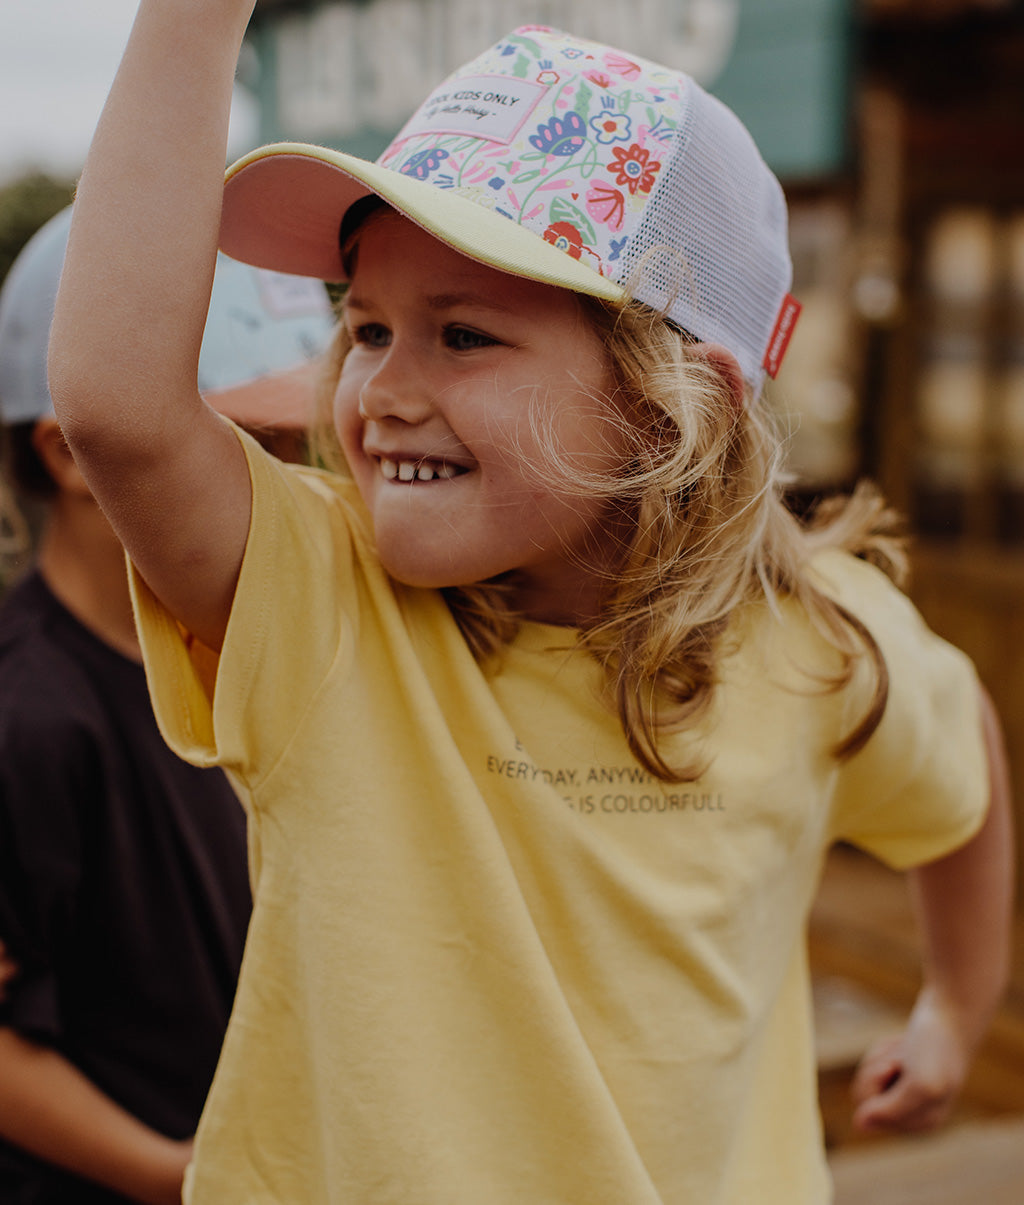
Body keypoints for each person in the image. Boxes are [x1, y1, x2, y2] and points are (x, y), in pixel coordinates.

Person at [47, 10, 1014, 1205]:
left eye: (463, 333)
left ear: (670, 415)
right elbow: (119, 411)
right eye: (366, 326)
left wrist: (953, 1007)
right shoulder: (331, 602)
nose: (382, 388)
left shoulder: (822, 637)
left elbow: (958, 734)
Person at [0, 204, 334, 1204]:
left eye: (305, 437)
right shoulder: (28, 715)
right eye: (255, 437)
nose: (295, 481)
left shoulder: (291, 655)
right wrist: (184, 1173)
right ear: (73, 453)